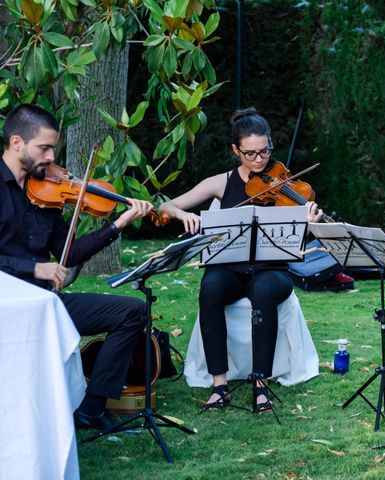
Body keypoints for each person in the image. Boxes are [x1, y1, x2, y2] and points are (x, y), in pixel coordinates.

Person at [0, 104, 154, 430]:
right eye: (44, 147)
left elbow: (67, 253)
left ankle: (92, 407)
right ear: (16, 143)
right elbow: (32, 265)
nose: (51, 156)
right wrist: (33, 268)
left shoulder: (43, 193)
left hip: (47, 304)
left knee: (132, 312)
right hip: (9, 307)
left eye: (53, 147)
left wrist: (117, 225)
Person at [159, 108, 323, 412]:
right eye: (250, 154)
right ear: (236, 151)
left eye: (264, 151)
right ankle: (219, 386)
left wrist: (311, 222)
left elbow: (301, 239)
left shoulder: (284, 184)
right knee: (210, 288)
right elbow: (167, 206)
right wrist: (183, 214)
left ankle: (261, 385)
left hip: (272, 270)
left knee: (263, 291)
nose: (260, 160)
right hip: (231, 269)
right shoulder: (221, 182)